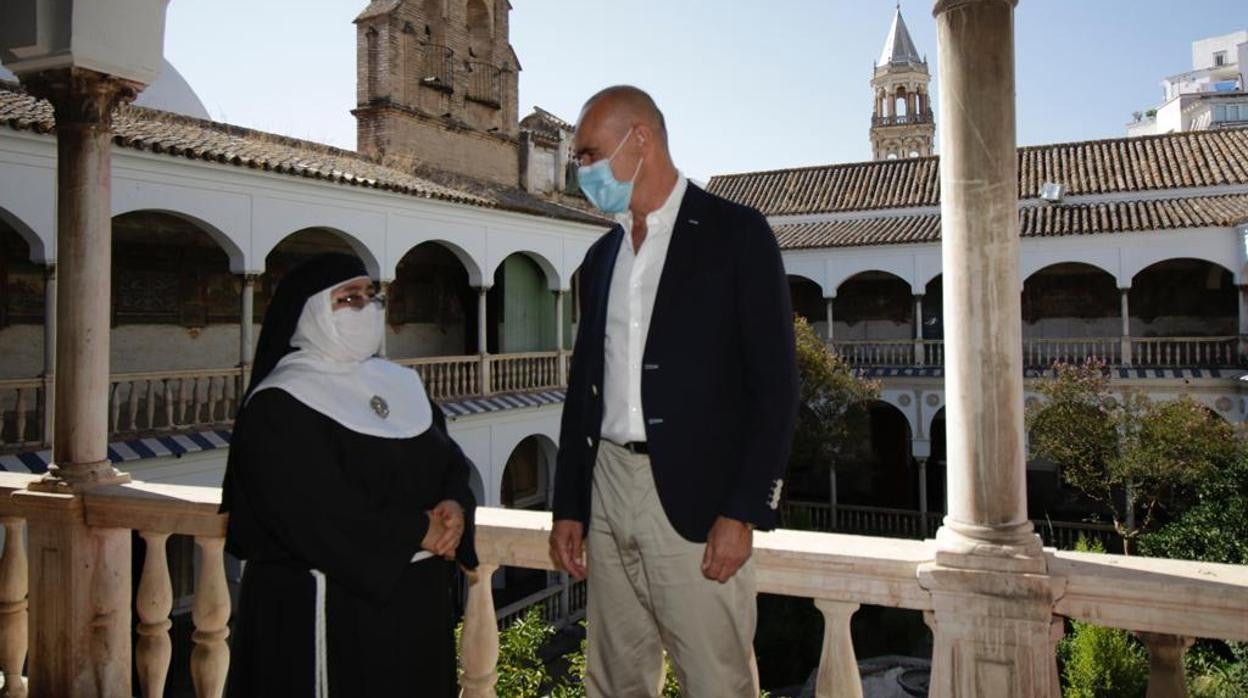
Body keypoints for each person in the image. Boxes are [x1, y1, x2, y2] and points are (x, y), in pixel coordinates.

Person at [549, 86, 799, 697]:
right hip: (608, 485)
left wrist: (743, 510)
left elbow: (776, 386)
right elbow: (585, 388)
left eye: (589, 155)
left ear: (642, 139)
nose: (581, 171)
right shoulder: (601, 255)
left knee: (714, 681)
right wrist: (570, 504)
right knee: (613, 678)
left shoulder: (735, 234)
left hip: (696, 498)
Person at [221, 253, 478, 697]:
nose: (368, 307)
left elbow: (449, 463)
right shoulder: (279, 402)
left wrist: (455, 505)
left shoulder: (401, 383)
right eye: (349, 298)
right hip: (325, 614)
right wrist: (418, 530)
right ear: (311, 313)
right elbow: (312, 509)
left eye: (371, 296)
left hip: (416, 610)